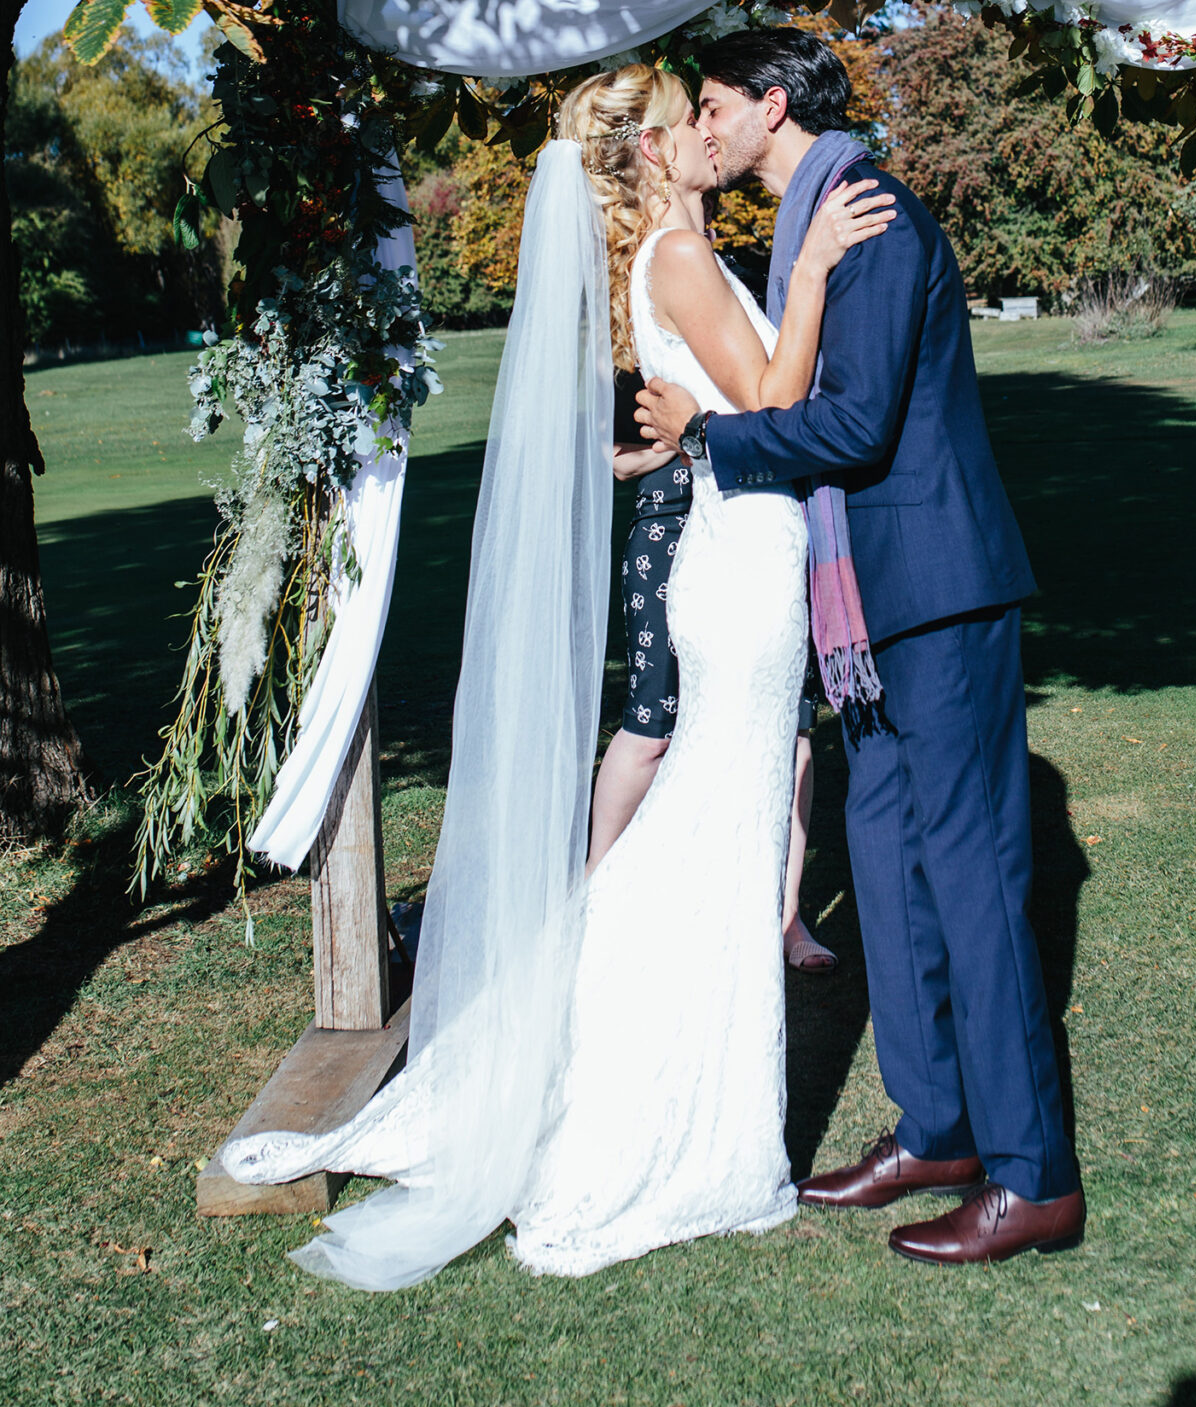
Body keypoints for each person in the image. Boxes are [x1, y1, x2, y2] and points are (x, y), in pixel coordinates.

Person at [221, 62, 888, 1288]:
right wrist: (806, 275)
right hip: (737, 572)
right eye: (684, 116)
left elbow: (719, 408)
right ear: (643, 150)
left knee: (715, 830)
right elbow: (775, 396)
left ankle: (633, 1076)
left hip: (740, 555)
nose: (704, 127)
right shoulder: (679, 261)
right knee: (711, 831)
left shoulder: (672, 257)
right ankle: (643, 1112)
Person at [637, 28, 1085, 1265]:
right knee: (883, 865)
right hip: (863, 611)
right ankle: (935, 1125)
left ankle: (1033, 1174)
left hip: (935, 592)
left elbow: (854, 420)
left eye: (716, 104)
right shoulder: (806, 231)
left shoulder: (868, 213)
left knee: (975, 877)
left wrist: (707, 438)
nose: (703, 126)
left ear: (771, 105)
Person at [591, 435, 839, 973]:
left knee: (790, 728)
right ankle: (593, 892)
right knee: (653, 726)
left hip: (760, 527)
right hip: (669, 526)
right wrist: (695, 434)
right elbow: (619, 461)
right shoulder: (631, 352)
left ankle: (786, 916)